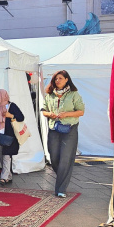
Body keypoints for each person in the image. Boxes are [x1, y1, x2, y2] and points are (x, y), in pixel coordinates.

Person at [42, 70, 85, 198]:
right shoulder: (50, 95)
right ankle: (63, 175)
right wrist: (50, 114)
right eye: (56, 79)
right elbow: (44, 110)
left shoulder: (74, 94)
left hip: (69, 129)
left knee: (66, 158)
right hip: (54, 128)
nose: (57, 81)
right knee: (53, 156)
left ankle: (61, 189)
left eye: (60, 78)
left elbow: (81, 111)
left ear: (66, 79)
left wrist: (66, 114)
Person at [0, 89, 25, 186]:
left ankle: (3, 177)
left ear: (1, 97)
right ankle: (8, 176)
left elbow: (21, 117)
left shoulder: (11, 106)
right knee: (2, 156)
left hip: (8, 137)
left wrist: (10, 115)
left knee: (6, 156)